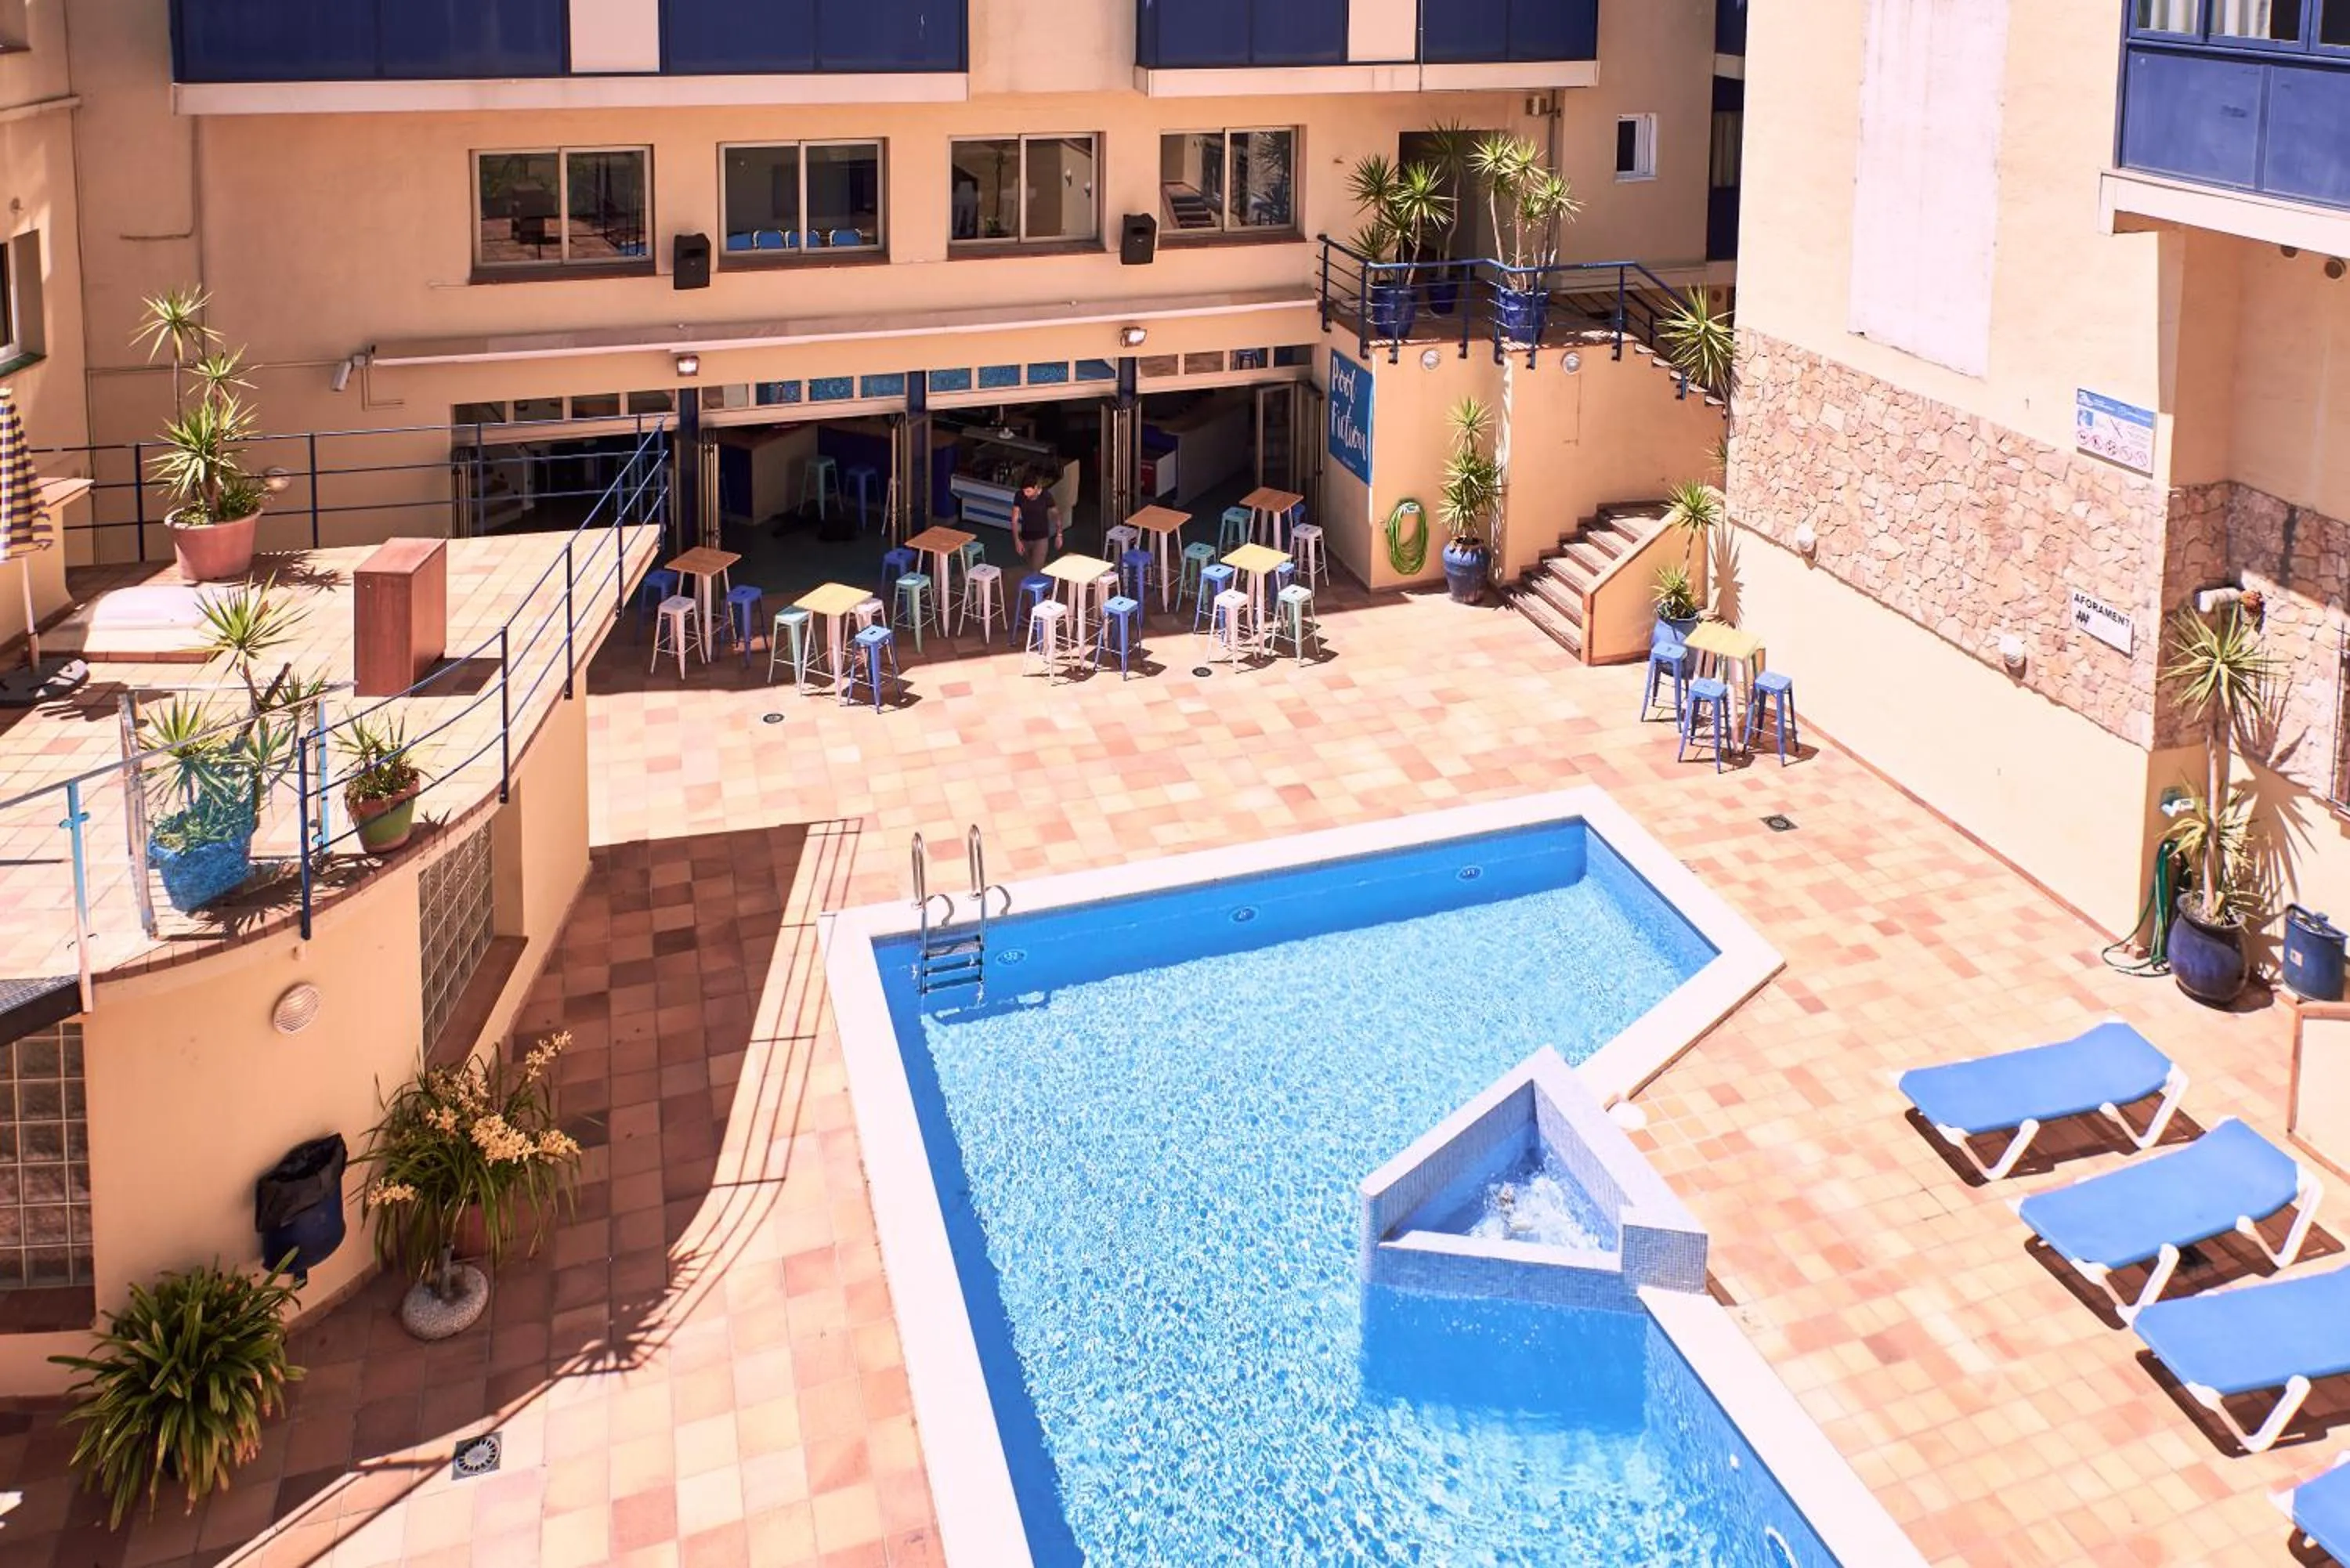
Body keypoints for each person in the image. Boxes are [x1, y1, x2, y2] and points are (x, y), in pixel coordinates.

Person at [1014, 474, 1062, 573]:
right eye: (1024, 491)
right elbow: (1014, 519)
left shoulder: (1046, 496)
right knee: (1030, 565)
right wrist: (1017, 540)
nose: (1026, 494)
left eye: (1028, 491)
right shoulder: (1019, 495)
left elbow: (1056, 515)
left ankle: (1036, 581)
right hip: (1025, 537)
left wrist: (1059, 535)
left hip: (1041, 538)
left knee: (1036, 568)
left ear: (1036, 488)